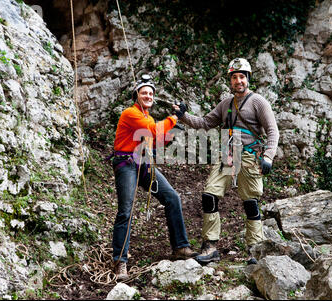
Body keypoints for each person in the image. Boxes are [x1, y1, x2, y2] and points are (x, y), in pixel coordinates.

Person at [174, 58, 279, 264]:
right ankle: (210, 245)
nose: (238, 81)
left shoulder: (258, 102)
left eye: (241, 76)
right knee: (209, 195)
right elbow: (205, 123)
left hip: (249, 156)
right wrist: (183, 115)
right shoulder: (226, 104)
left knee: (250, 203)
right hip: (227, 155)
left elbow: (272, 130)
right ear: (230, 81)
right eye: (234, 77)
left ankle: (255, 249)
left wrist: (268, 156)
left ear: (247, 79)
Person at [111, 74, 198, 281]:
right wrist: (174, 117)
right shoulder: (130, 113)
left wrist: (171, 131)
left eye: (150, 93)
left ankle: (180, 247)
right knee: (126, 210)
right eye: (144, 93)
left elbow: (156, 138)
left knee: (172, 197)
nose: (148, 96)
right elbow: (150, 130)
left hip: (143, 163)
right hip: (126, 164)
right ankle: (120, 261)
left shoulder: (148, 117)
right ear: (137, 95)